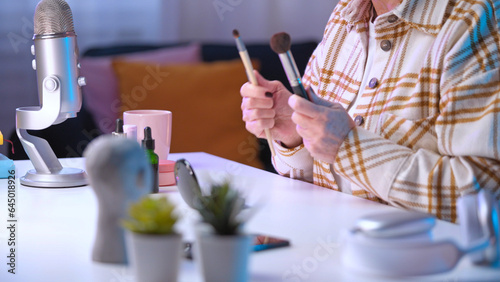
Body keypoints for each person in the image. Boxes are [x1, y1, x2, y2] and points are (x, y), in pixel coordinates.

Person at [240, 0, 500, 222]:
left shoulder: (474, 20)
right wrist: (295, 136)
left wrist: (347, 147)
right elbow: (322, 181)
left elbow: (483, 198)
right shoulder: (345, 14)